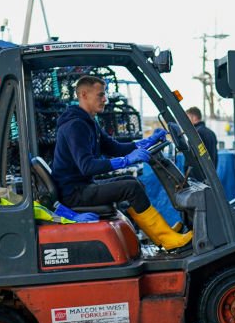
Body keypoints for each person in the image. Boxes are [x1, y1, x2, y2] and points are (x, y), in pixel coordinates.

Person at [52, 75, 192, 250]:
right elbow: (87, 166)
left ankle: (161, 234)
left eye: (105, 95)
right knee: (130, 188)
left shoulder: (88, 122)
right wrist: (127, 161)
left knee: (134, 182)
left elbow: (114, 148)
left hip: (82, 186)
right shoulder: (75, 126)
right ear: (83, 95)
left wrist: (147, 142)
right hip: (74, 193)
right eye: (100, 95)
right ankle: (167, 239)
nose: (105, 99)